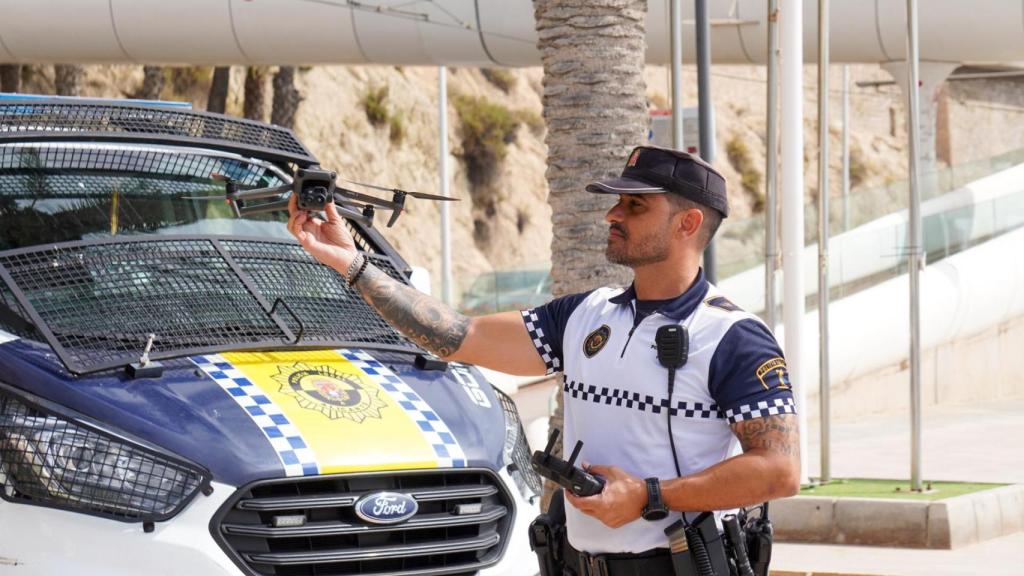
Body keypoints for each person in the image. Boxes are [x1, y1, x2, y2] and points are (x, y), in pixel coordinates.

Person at [287, 145, 800, 575]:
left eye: (635, 206)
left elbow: (779, 470)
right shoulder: (584, 314)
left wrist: (650, 496)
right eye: (617, 202)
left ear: (688, 223)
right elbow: (459, 336)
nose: (613, 214)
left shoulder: (732, 337)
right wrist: (352, 263)